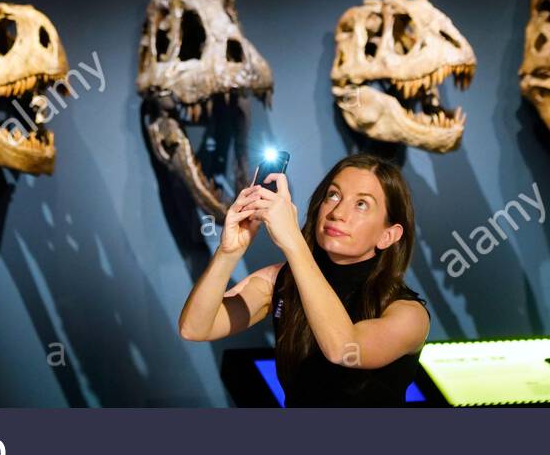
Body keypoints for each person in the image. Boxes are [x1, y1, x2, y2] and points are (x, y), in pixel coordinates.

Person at [177, 152, 430, 405]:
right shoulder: (279, 281)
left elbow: (344, 349)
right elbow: (195, 328)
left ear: (388, 235)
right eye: (333, 195)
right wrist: (228, 253)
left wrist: (293, 243)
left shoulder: (409, 314)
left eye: (361, 204)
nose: (338, 212)